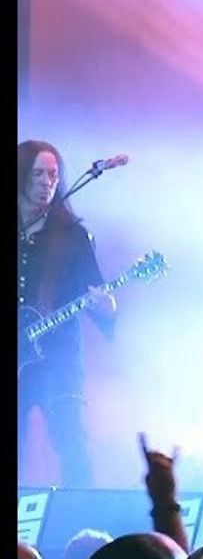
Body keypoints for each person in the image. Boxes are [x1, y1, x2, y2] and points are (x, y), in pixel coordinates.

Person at [16, 140, 113, 487]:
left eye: (53, 175)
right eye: (38, 174)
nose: (47, 182)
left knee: (70, 441)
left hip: (59, 356)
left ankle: (82, 514)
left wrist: (107, 308)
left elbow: (97, 293)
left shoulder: (73, 235)